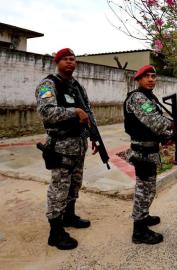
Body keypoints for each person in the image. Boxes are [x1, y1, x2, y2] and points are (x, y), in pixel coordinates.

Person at [35, 48, 98, 250]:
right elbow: (46, 112)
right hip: (61, 146)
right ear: (57, 62)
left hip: (79, 145)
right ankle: (55, 232)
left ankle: (69, 216)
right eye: (65, 59)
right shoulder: (48, 84)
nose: (70, 62)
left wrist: (94, 135)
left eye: (73, 59)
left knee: (74, 184)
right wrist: (74, 112)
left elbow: (88, 112)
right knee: (59, 188)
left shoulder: (77, 86)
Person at [123, 64, 174, 245]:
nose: (151, 79)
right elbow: (155, 122)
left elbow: (155, 126)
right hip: (142, 152)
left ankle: (143, 216)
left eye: (153, 76)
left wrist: (167, 136)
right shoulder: (138, 98)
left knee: (148, 188)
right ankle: (139, 230)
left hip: (149, 150)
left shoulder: (149, 97)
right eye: (147, 76)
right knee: (144, 190)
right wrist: (172, 126)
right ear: (138, 79)